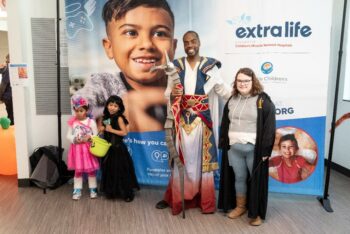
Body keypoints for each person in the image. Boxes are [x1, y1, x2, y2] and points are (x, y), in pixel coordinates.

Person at [156, 31, 231, 215]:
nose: (190, 44)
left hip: (202, 121)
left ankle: (203, 199)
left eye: (193, 41)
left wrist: (244, 95)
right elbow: (168, 92)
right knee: (181, 160)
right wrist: (177, 103)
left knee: (201, 162)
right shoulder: (176, 66)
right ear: (183, 44)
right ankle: (178, 197)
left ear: (199, 42)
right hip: (181, 121)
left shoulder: (210, 66)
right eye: (186, 42)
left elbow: (222, 90)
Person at [73, 0, 177, 132]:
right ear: (109, 47)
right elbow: (79, 108)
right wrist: (112, 116)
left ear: (173, 47)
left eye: (160, 34)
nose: (147, 44)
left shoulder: (184, 85)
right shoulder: (103, 84)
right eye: (131, 33)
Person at [217, 68, 276, 226]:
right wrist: (224, 143)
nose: (242, 84)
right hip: (234, 149)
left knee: (256, 181)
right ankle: (240, 206)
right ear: (235, 82)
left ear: (253, 81)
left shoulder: (263, 100)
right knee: (239, 178)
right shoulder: (232, 99)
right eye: (239, 81)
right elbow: (225, 123)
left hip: (254, 151)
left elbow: (270, 126)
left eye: (246, 81)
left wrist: (265, 150)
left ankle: (256, 213)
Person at [99, 95, 139, 202]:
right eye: (110, 105)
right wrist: (102, 129)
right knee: (110, 171)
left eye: (115, 106)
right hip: (108, 149)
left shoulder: (120, 118)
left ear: (119, 108)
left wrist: (111, 130)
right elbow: (103, 131)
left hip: (118, 149)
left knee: (121, 171)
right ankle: (113, 191)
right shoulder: (105, 118)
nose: (112, 107)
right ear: (107, 105)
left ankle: (127, 193)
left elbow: (124, 132)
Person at [66, 96, 99, 200]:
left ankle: (93, 189)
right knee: (78, 171)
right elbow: (68, 135)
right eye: (77, 111)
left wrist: (89, 138)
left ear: (86, 110)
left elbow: (96, 135)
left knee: (91, 171)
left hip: (88, 150)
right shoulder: (73, 122)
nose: (79, 113)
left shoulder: (91, 122)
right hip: (77, 150)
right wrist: (75, 139)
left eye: (81, 110)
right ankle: (77, 190)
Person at [0, 54, 14, 125]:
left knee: (11, 114)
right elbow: (4, 84)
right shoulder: (9, 68)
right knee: (11, 116)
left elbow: (3, 84)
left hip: (8, 96)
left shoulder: (9, 68)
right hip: (9, 97)